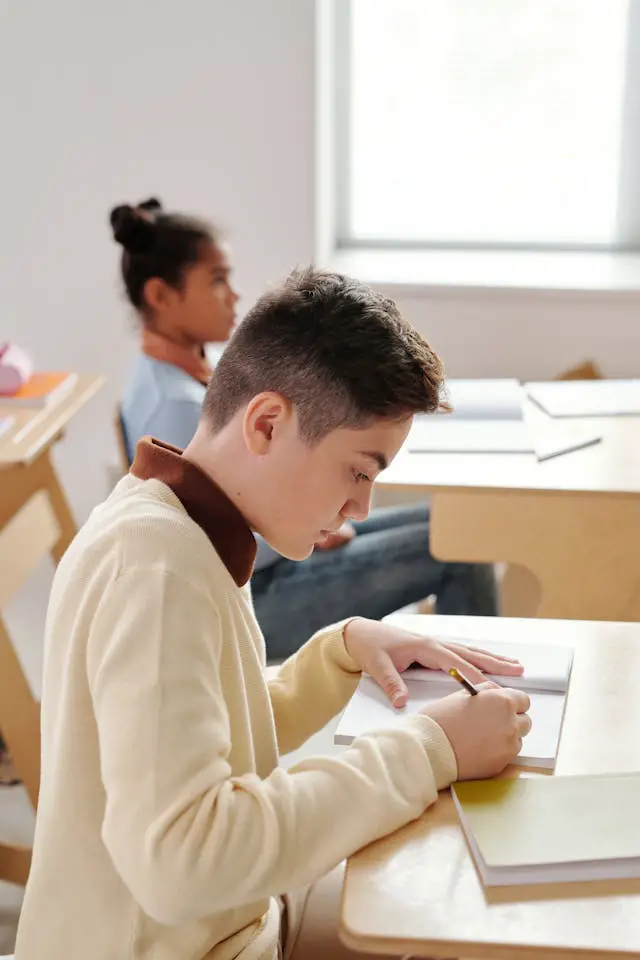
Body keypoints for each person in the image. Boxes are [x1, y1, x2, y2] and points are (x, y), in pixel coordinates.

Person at [16, 266, 530, 960]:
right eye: (359, 470)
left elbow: (211, 732)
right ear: (265, 423)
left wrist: (339, 653)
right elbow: (187, 861)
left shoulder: (173, 525)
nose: (362, 507)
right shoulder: (157, 568)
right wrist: (429, 750)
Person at [117, 200, 498, 659]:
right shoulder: (172, 405)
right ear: (160, 296)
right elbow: (220, 529)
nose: (233, 295)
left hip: (268, 561)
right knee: (459, 549)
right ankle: (476, 698)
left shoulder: (188, 372)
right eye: (217, 281)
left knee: (457, 526)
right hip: (267, 585)